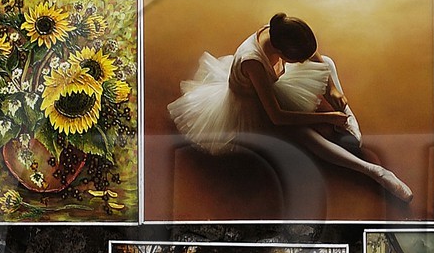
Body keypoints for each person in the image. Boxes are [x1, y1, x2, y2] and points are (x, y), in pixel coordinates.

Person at [167, 12, 412, 201]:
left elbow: (314, 54)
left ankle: (347, 116)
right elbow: (278, 117)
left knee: (326, 62)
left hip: (275, 82)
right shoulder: (252, 61)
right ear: (282, 51)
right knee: (301, 134)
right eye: (299, 58)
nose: (305, 62)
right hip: (256, 105)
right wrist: (326, 118)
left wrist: (334, 90)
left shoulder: (278, 30)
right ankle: (374, 171)